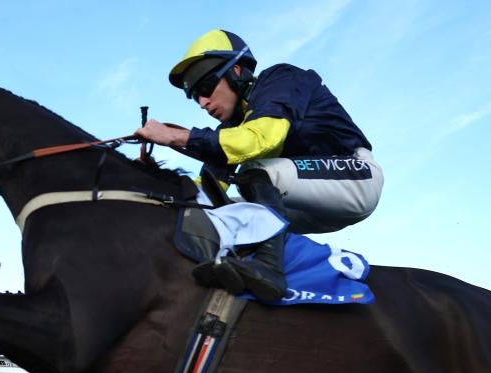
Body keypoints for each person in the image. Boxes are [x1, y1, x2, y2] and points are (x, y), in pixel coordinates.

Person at [134, 29, 383, 301]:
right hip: (305, 202)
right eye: (195, 97)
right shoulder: (232, 128)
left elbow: (260, 140)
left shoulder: (280, 79)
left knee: (255, 172)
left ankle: (269, 270)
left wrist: (176, 136)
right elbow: (205, 192)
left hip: (356, 176)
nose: (203, 103)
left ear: (236, 71)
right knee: (220, 212)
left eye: (205, 87)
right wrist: (152, 181)